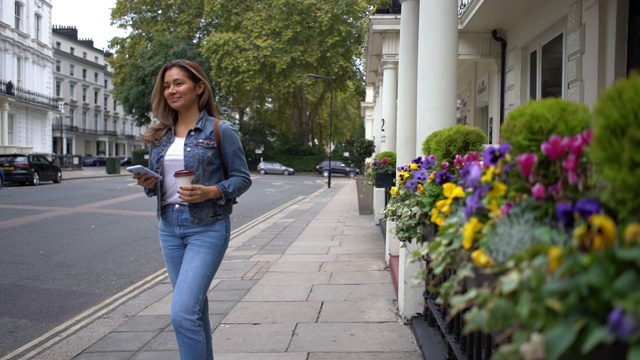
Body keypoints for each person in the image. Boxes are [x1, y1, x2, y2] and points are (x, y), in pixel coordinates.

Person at [133, 59, 251, 360]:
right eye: (167, 85)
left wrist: (210, 191)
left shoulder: (219, 130)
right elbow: (160, 185)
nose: (171, 90)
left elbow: (241, 178)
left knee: (183, 313)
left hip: (207, 227)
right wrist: (149, 182)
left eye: (179, 83)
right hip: (169, 227)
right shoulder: (161, 136)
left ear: (199, 87)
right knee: (194, 311)